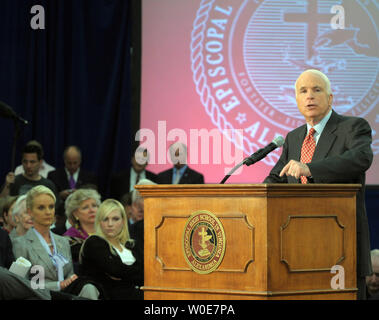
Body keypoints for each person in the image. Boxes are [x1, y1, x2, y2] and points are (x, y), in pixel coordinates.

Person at [263, 69, 373, 300]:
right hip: (296, 250)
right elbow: (275, 178)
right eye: (303, 91)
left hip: (340, 246)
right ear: (296, 100)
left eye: (316, 90)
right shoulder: (293, 138)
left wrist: (311, 168)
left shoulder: (352, 127)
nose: (309, 96)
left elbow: (361, 158)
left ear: (330, 98)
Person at [11, 186, 100, 299]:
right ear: (30, 212)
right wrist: (58, 285)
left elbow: (70, 276)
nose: (48, 212)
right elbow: (20, 286)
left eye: (51, 207)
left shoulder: (63, 241)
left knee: (89, 288)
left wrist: (69, 282)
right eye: (41, 207)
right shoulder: (20, 244)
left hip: (69, 295)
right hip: (42, 296)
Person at [79, 199, 143, 300]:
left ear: (123, 221)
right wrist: (137, 272)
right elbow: (115, 270)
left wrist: (123, 275)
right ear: (99, 222)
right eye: (105, 219)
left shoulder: (132, 244)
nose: (110, 224)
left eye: (115, 219)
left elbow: (146, 273)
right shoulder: (94, 242)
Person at [63, 188, 101, 271]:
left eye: (94, 206)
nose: (91, 210)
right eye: (85, 207)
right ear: (75, 213)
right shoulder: (70, 238)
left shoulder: (108, 230)